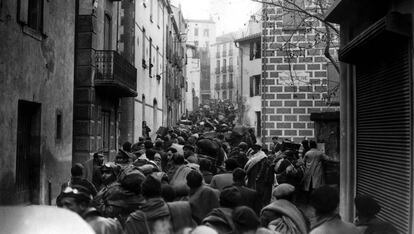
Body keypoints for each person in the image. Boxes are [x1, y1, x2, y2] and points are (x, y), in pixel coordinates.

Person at [59, 185, 123, 234]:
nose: (63, 209)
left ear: (82, 205)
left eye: (68, 204)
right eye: (62, 205)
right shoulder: (112, 224)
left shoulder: (80, 228)